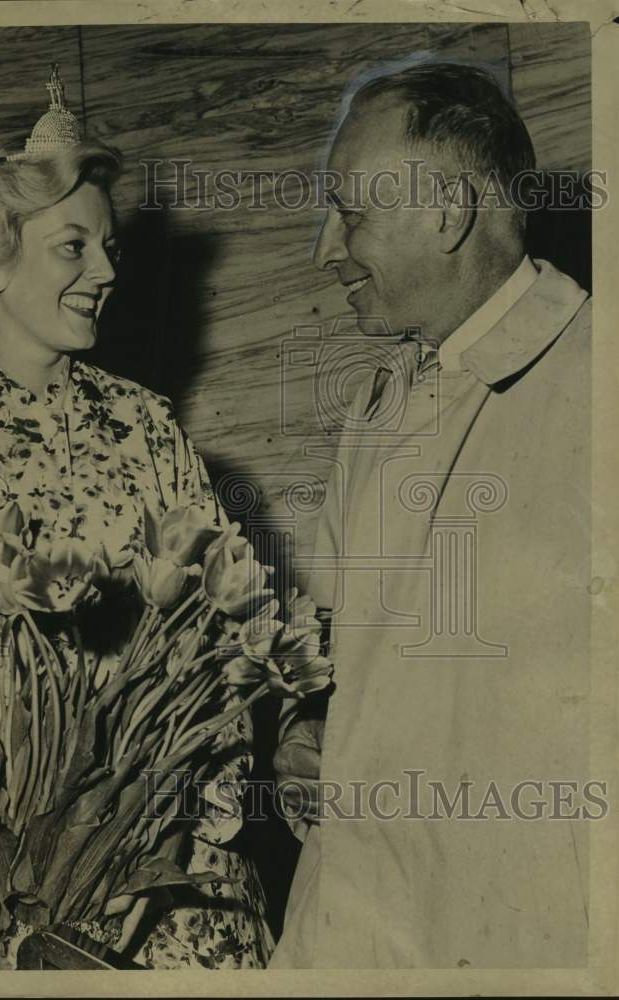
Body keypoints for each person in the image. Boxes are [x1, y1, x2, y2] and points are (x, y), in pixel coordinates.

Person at [0, 67, 273, 971]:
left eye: (107, 249)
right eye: (74, 247)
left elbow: (227, 640)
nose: (106, 271)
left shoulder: (146, 427)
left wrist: (191, 824)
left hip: (161, 893)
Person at [271, 62, 593, 968]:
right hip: (357, 922)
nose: (325, 249)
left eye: (351, 213)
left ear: (447, 211)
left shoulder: (593, 378)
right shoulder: (376, 411)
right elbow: (352, 662)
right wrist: (312, 733)